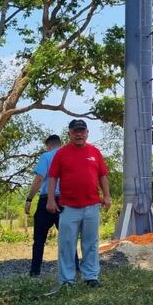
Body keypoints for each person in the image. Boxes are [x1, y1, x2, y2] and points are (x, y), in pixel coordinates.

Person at [46, 119, 112, 289]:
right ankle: (67, 280)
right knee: (67, 244)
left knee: (91, 243)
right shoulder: (61, 153)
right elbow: (52, 177)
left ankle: (91, 277)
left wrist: (107, 195)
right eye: (75, 131)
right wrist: (51, 199)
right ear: (69, 134)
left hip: (92, 206)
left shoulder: (95, 152)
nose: (79, 134)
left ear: (87, 133)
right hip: (68, 207)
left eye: (82, 131)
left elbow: (102, 175)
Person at [25, 134, 78, 277]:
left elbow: (39, 179)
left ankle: (35, 271)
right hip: (66, 200)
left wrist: (29, 199)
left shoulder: (46, 156)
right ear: (60, 143)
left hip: (47, 199)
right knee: (69, 237)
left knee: (39, 239)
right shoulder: (70, 156)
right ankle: (75, 268)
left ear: (49, 145)